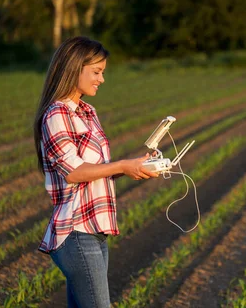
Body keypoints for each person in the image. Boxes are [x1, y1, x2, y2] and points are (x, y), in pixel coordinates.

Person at [33, 36, 157, 307]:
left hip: (96, 232)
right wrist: (123, 165)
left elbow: (95, 170)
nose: (101, 79)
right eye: (97, 72)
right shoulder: (56, 114)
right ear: (74, 68)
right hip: (76, 233)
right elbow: (74, 172)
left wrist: (134, 167)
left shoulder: (87, 112)